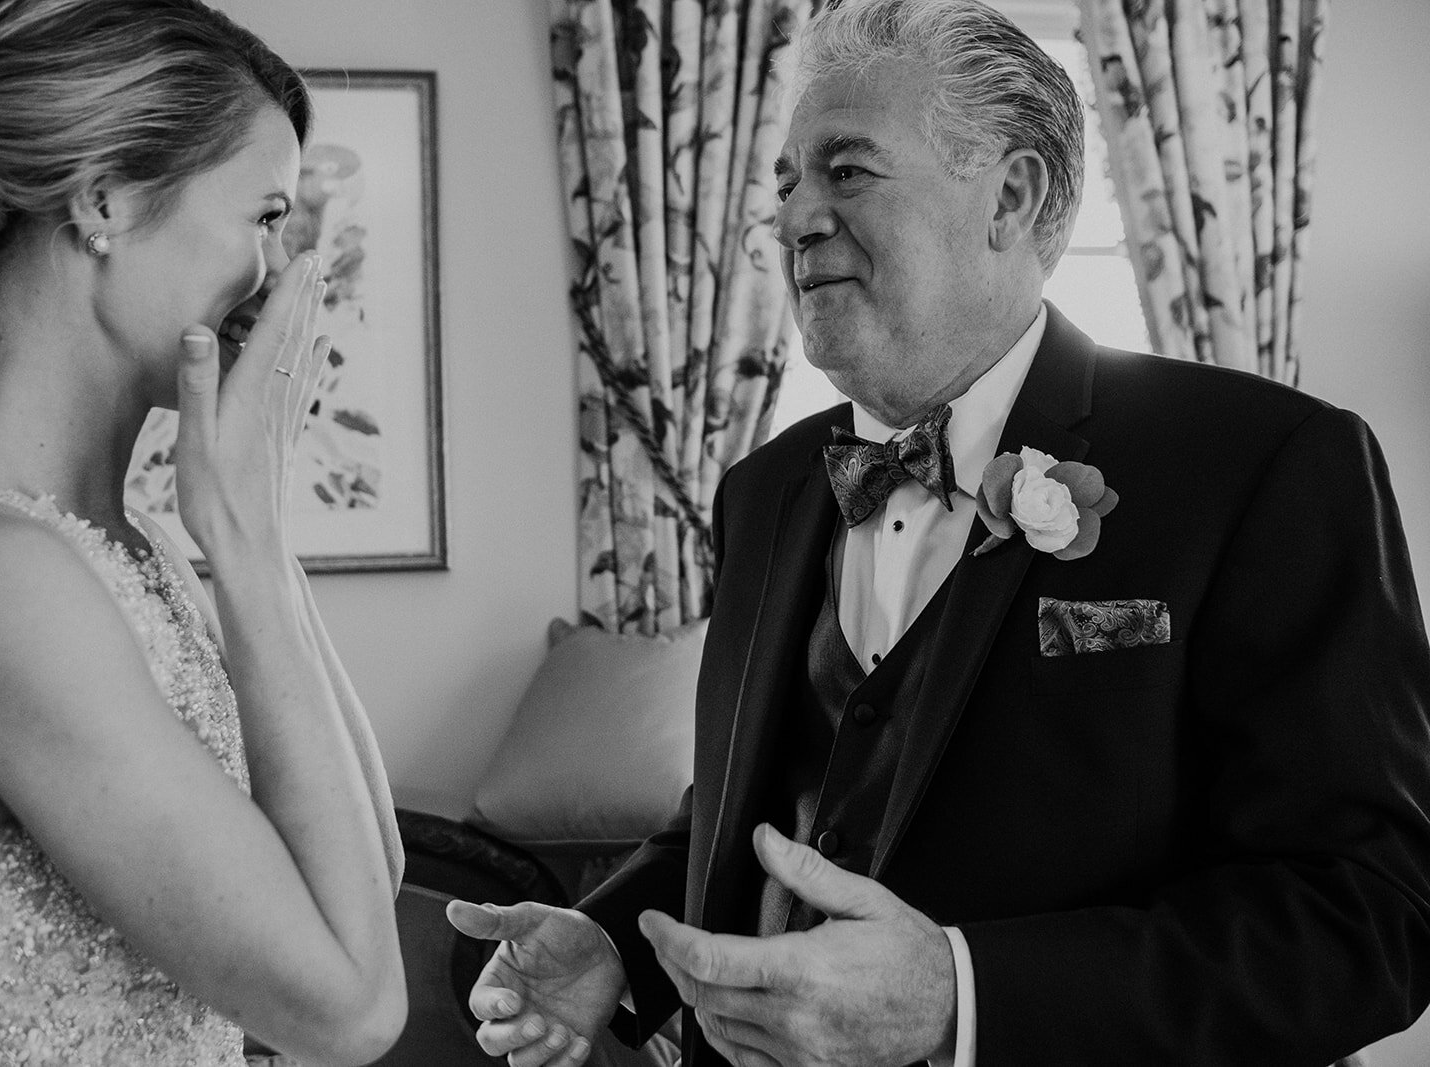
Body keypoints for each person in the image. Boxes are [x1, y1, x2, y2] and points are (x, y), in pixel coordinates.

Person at [448, 0, 1430, 1063]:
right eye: (784, 183)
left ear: (1012, 195)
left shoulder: (1265, 463)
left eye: (847, 171)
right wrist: (614, 942)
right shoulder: (762, 491)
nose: (792, 219)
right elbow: (744, 806)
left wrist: (963, 995)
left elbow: (1367, 917)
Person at [0, 1, 407, 1064]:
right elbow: (350, 1007)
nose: (280, 276)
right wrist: (240, 535)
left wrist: (256, 538)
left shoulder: (126, 541)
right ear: (105, 199)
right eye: (264, 216)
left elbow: (372, 872)